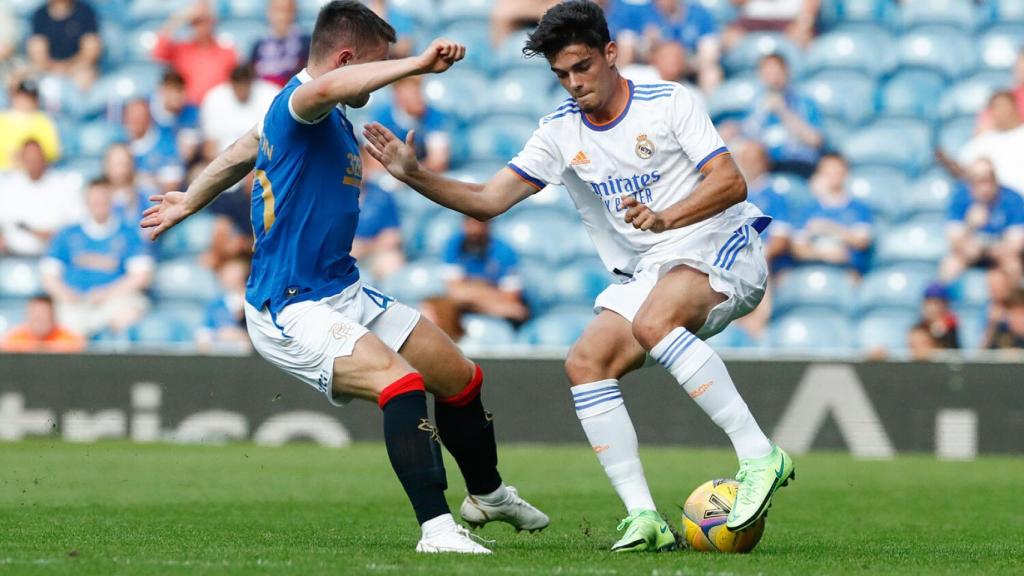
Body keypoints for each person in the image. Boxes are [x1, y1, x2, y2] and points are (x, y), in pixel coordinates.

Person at [364, 0, 793, 552]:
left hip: (721, 245)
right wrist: (415, 174)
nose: (574, 83)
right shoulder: (561, 132)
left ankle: (760, 454)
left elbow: (732, 182)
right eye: (561, 74)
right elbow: (489, 200)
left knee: (655, 321)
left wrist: (666, 216)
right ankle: (645, 518)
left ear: (610, 54)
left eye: (582, 67)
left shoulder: (668, 102)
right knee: (585, 363)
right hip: (654, 268)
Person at [141, 1, 547, 554]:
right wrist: (414, 64)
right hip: (291, 305)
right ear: (349, 59)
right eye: (373, 68)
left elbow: (241, 150)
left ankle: (489, 494)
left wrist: (190, 198)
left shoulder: (321, 117)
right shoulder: (304, 99)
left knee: (459, 377)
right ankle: (437, 530)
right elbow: (322, 90)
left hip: (343, 289)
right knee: (399, 383)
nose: (374, 85)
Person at [41, 178, 153, 338]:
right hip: (74, 302)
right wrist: (66, 294)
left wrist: (107, 293)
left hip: (114, 300)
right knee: (60, 321)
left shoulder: (128, 233)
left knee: (129, 314)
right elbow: (48, 274)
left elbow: (141, 276)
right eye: (94, 200)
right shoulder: (68, 233)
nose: (99, 204)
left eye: (103, 199)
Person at [940, 158, 1024, 286]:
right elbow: (954, 240)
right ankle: (946, 303)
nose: (986, 187)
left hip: (1001, 253)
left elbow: (1016, 244)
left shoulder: (1013, 199)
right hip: (970, 252)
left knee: (1014, 265)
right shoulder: (960, 197)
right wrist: (970, 225)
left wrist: (988, 251)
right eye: (979, 181)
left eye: (989, 179)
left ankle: (1014, 304)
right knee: (950, 265)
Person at [739, 53, 822, 177]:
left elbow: (815, 140)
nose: (773, 79)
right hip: (765, 166)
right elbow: (748, 136)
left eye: (776, 73)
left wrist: (783, 112)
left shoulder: (804, 102)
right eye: (768, 74)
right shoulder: (756, 105)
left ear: (786, 72)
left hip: (796, 162)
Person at [792, 153, 873, 277]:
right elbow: (798, 248)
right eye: (828, 171)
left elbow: (862, 242)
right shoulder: (807, 209)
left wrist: (830, 228)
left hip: (847, 270)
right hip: (813, 268)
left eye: (837, 171)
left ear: (846, 173)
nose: (833, 176)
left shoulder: (858, 208)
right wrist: (824, 255)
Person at [0, 140, 82, 257]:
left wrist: (50, 235)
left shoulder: (62, 185)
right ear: (22, 159)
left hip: (53, 255)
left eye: (36, 157)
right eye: (29, 158)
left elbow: (76, 223)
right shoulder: (9, 186)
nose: (33, 162)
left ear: (44, 158)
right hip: (13, 254)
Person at [442, 216, 530, 323]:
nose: (475, 230)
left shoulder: (505, 251)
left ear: (489, 225)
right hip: (489, 310)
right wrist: (493, 296)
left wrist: (470, 291)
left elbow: (511, 299)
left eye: (479, 223)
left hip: (499, 320)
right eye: (470, 223)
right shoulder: (454, 245)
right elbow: (456, 293)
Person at [152, 1, 238, 105]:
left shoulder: (227, 52)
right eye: (195, 22)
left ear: (213, 21)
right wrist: (179, 18)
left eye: (204, 21)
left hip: (217, 109)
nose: (201, 27)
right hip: (187, 110)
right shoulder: (182, 49)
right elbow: (158, 53)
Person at [370, 76, 451, 172]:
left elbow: (438, 162)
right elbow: (375, 164)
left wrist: (410, 174)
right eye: (414, 93)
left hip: (421, 177)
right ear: (398, 94)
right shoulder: (382, 117)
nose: (420, 97)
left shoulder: (434, 117)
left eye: (420, 90)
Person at [200, 64, 279, 157]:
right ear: (231, 83)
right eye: (238, 85)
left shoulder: (271, 94)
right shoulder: (214, 98)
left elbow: (277, 141)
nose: (242, 90)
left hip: (261, 160)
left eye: (245, 84)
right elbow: (210, 148)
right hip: (224, 160)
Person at [957, 92, 1024, 196]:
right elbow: (963, 169)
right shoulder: (982, 142)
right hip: (998, 205)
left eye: (1005, 106)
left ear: (1014, 106)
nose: (1002, 112)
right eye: (996, 107)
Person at [27, 0, 102, 88]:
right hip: (47, 69)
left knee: (85, 77)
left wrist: (68, 68)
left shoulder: (85, 11)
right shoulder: (40, 14)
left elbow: (91, 50)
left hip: (78, 68)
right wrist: (54, 68)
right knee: (25, 80)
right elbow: (37, 51)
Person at [123, 99, 184, 192]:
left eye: (140, 117)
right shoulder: (120, 143)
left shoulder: (165, 143)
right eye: (131, 117)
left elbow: (172, 184)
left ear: (149, 118)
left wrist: (144, 180)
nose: (135, 121)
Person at [0, 79, 61, 170]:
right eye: (23, 96)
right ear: (14, 97)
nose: (26, 101)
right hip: (4, 172)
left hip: (34, 174)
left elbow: (52, 153)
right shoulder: (2, 119)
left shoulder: (44, 120)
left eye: (30, 98)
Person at [196, 257, 252, 352]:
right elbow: (203, 336)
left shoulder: (253, 305)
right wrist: (219, 335)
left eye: (234, 272)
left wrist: (243, 336)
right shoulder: (216, 305)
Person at [252, 0, 311, 87]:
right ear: (268, 12)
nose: (281, 16)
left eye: (286, 10)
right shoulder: (258, 46)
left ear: (294, 12)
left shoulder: (306, 43)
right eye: (276, 10)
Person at [1, 294, 85, 353]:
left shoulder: (68, 339)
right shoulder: (15, 339)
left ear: (52, 317)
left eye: (43, 317)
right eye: (35, 317)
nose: (39, 322)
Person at [150, 69, 201, 164]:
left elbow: (186, 155)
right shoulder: (147, 111)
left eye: (179, 90)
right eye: (171, 90)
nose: (176, 95)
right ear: (162, 90)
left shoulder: (191, 114)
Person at [907, 283, 960, 360]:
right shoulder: (919, 327)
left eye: (937, 303)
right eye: (930, 302)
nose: (933, 308)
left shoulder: (951, 326)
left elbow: (953, 352)